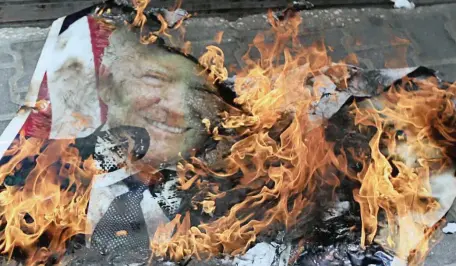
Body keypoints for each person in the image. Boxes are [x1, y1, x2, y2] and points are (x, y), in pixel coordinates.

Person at [85, 27, 234, 258]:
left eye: (200, 90)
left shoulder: (251, 197)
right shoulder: (27, 173)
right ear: (107, 80)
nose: (175, 110)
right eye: (154, 78)